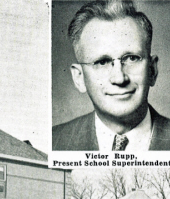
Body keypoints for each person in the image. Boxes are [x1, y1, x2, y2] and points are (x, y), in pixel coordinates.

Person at [52, 0, 170, 151]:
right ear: (79, 78)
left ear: (152, 70)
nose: (119, 78)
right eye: (102, 62)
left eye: (132, 58)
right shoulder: (55, 142)